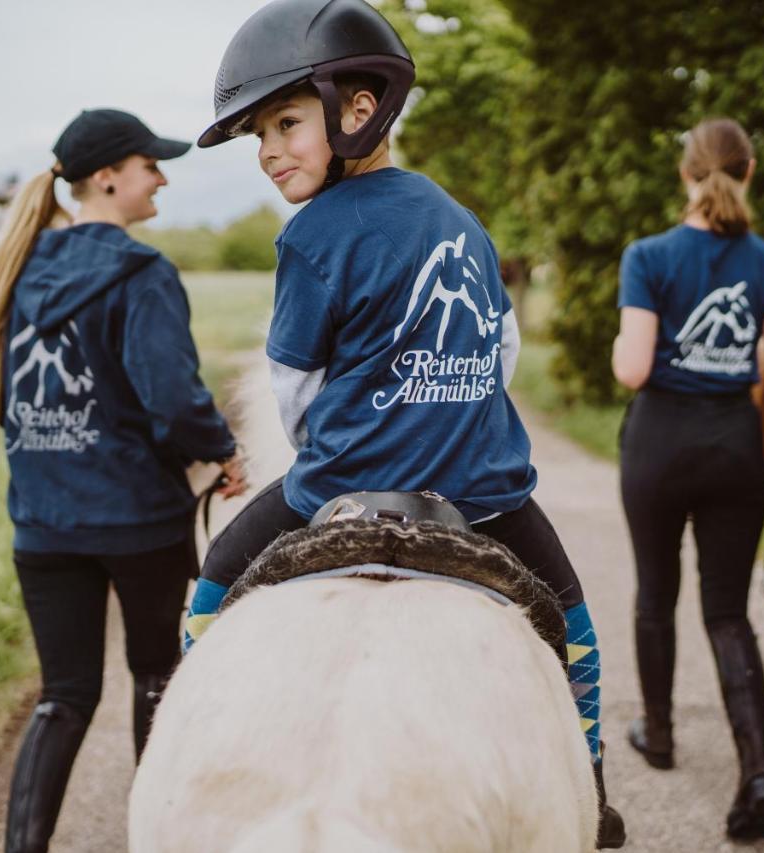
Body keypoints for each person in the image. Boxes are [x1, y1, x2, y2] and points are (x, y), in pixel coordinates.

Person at [185, 0, 624, 847]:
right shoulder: (463, 221)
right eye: (258, 137)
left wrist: (348, 443)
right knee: (571, 621)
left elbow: (294, 391)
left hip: (342, 487)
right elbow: (502, 355)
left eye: (283, 123)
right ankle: (594, 785)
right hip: (486, 496)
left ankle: (192, 717)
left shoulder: (310, 236)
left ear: (358, 109)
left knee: (216, 574)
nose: (270, 151)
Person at [0, 108, 247, 853]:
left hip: (44, 526)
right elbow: (172, 394)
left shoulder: (21, 269)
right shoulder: (142, 272)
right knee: (156, 677)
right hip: (138, 520)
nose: (163, 178)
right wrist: (222, 452)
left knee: (62, 697)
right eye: (152, 164)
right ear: (109, 176)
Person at [612, 118, 764, 840]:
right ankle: (757, 767)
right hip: (733, 447)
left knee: (655, 595)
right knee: (727, 611)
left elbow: (632, 368)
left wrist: (619, 349)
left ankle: (657, 734)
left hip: (658, 444)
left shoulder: (648, 255)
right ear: (748, 172)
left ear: (685, 175)